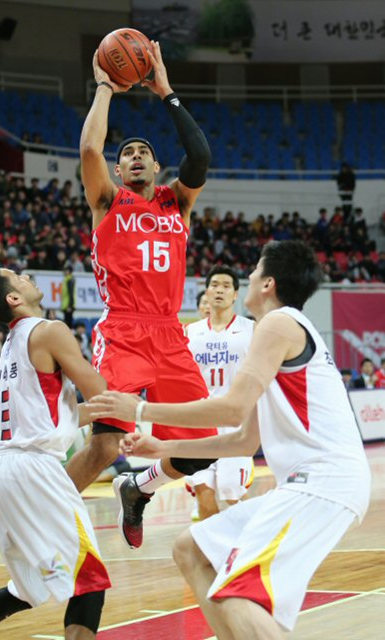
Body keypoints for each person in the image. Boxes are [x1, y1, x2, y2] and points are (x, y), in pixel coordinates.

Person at [89, 240, 371, 639]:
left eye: (254, 272)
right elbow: (241, 439)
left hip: (323, 483)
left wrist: (138, 411)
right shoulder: (275, 331)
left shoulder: (277, 323)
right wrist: (164, 447)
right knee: (190, 550)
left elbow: (231, 409)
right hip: (312, 483)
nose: (250, 278)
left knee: (235, 593)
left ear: (268, 284)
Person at [66, 40, 216, 550]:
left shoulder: (179, 204)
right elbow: (90, 151)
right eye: (126, 153)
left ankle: (139, 488)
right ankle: (42, 514)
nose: (133, 157)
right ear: (120, 168)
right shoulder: (108, 200)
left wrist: (166, 92)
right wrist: (106, 87)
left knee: (208, 446)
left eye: (143, 153)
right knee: (107, 441)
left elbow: (199, 155)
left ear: (156, 170)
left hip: (170, 334)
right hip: (124, 329)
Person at [0, 267, 110, 640]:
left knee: (25, 588)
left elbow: (62, 414)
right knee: (89, 578)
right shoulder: (49, 330)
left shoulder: (12, 344)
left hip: (4, 470)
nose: (25, 275)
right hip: (34, 469)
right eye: (16, 276)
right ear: (13, 298)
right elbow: (100, 389)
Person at [185, 265, 254, 520]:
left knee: (230, 491)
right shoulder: (190, 332)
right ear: (206, 290)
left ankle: (256, 542)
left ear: (235, 295)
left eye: (226, 286)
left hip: (235, 423)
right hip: (200, 422)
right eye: (215, 284)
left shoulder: (251, 329)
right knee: (203, 490)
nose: (219, 290)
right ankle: (213, 551)